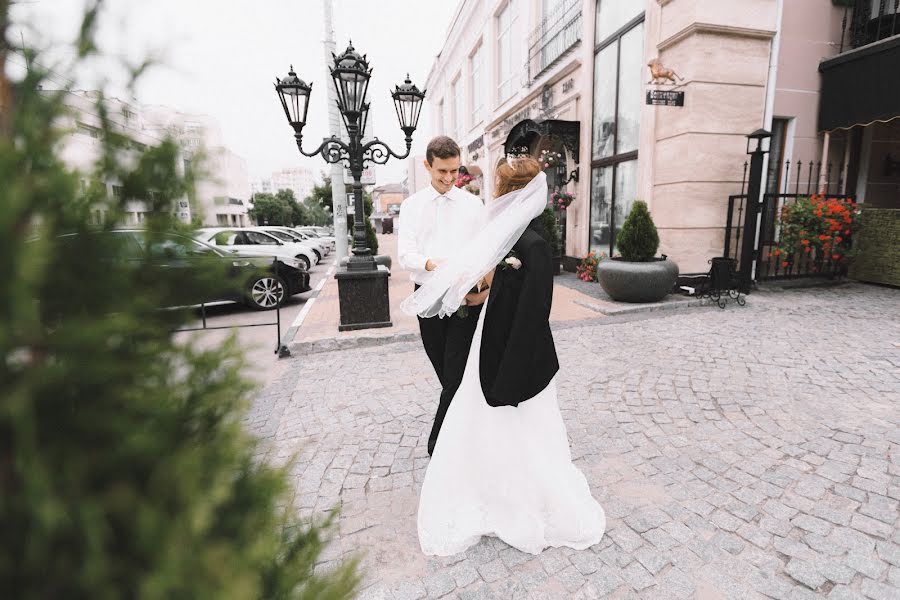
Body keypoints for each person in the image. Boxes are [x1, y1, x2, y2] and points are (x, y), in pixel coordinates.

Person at [403, 157, 606, 556]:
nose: (493, 193)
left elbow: (533, 314)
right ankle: (489, 483)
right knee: (479, 414)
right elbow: (492, 291)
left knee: (522, 424)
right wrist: (461, 292)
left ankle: (522, 494)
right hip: (489, 344)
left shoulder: (534, 244)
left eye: (499, 186)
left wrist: (513, 368)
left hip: (516, 353)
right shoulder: (505, 238)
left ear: (512, 192)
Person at [397, 136, 484, 456]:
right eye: (441, 172)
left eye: (453, 171)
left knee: (457, 372)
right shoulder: (411, 206)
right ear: (427, 166)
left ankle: (440, 443)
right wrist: (431, 263)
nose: (449, 178)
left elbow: (483, 250)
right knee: (446, 372)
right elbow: (405, 254)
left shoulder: (473, 205)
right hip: (427, 296)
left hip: (465, 296)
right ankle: (467, 426)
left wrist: (478, 284)